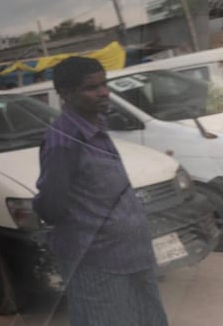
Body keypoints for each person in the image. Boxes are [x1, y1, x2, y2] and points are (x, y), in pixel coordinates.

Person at [33, 56, 168, 326]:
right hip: (98, 262)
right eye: (91, 87)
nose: (103, 92)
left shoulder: (97, 125)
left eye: (104, 84)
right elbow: (51, 205)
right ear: (66, 94)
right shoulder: (63, 141)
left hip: (133, 254)